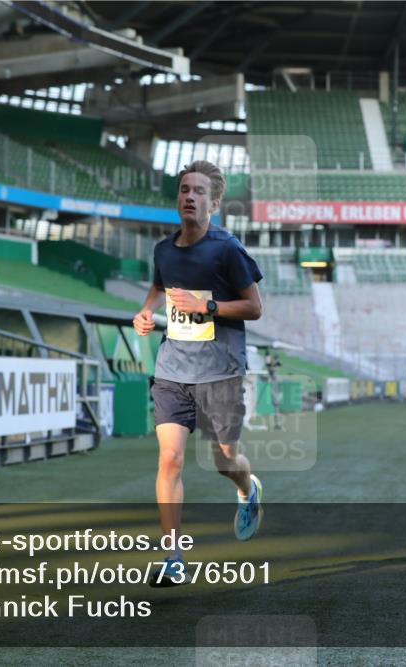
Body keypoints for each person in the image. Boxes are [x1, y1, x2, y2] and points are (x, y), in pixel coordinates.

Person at [132, 160, 264, 587]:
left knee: (225, 460)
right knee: (169, 459)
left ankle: (247, 489)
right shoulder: (164, 250)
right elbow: (159, 285)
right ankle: (173, 557)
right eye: (184, 189)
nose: (189, 196)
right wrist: (146, 311)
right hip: (173, 368)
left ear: (215, 203)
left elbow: (254, 307)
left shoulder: (227, 249)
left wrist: (207, 306)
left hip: (220, 370)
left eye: (199, 191)